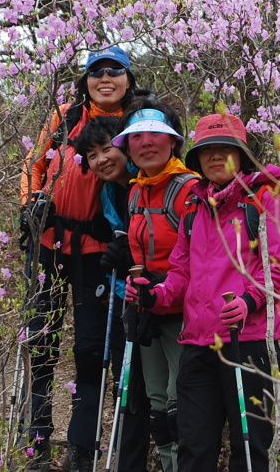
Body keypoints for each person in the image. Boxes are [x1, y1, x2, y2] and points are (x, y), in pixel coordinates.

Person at [126, 113, 280, 472]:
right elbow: (181, 272)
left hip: (246, 341)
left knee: (249, 448)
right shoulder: (194, 207)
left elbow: (278, 266)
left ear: (241, 154)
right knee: (194, 447)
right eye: (208, 151)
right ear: (198, 160)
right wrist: (153, 296)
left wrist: (250, 300)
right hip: (197, 344)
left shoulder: (265, 200)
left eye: (225, 149)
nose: (216, 157)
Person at [19, 46, 138, 472]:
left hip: (98, 253)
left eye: (115, 71)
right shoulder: (65, 115)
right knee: (41, 340)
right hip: (49, 244)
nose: (105, 79)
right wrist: (30, 202)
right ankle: (36, 437)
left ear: (128, 77)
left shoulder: (137, 121)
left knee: (90, 348)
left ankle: (81, 447)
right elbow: (34, 164)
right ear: (85, 79)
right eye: (96, 72)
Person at [110, 98, 199, 472]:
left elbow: (204, 259)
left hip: (184, 316)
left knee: (183, 406)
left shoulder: (189, 190)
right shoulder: (135, 191)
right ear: (127, 146)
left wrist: (162, 285)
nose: (147, 142)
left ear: (174, 142)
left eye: (156, 134)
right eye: (136, 136)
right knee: (158, 406)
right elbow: (138, 257)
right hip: (148, 311)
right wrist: (134, 281)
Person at [73, 116, 151, 472]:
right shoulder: (108, 192)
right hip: (124, 296)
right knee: (126, 384)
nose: (102, 159)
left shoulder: (147, 180)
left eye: (106, 149)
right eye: (92, 155)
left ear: (123, 145)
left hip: (157, 295)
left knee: (150, 389)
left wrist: (131, 253)